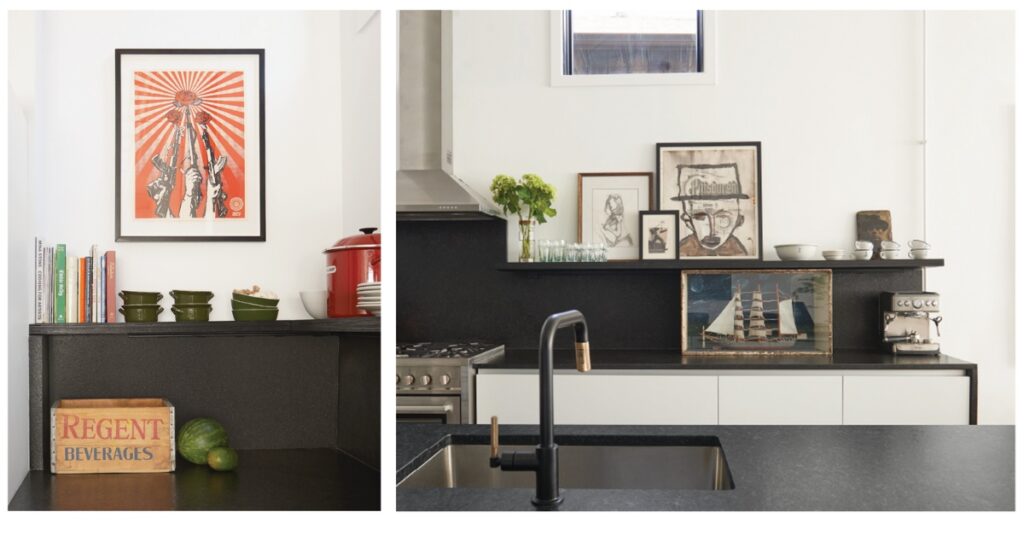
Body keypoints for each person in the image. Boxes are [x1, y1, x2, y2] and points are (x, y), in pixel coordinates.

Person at [671, 163, 750, 257]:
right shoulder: (682, 253)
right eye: (700, 217)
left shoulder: (740, 254)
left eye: (723, 217)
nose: (711, 231)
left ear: (739, 220)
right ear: (687, 221)